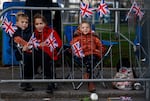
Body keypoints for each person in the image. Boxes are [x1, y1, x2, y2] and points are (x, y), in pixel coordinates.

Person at [70, 21, 106, 92]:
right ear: (79, 29)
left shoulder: (94, 37)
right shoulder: (76, 38)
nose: (85, 29)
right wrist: (75, 52)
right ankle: (90, 82)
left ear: (90, 29)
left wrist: (100, 51)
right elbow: (73, 47)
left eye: (87, 27)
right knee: (89, 60)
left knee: (91, 58)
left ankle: (88, 75)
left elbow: (100, 45)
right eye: (83, 27)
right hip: (83, 55)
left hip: (93, 54)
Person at [31, 13, 62, 93]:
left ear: (45, 23)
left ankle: (50, 82)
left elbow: (59, 43)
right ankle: (50, 80)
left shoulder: (51, 31)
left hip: (50, 53)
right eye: (37, 24)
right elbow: (31, 44)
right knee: (34, 53)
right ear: (34, 25)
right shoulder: (34, 34)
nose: (39, 26)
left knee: (44, 56)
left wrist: (47, 44)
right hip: (37, 55)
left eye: (41, 23)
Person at [12, 11, 34, 91]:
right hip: (21, 53)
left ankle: (51, 80)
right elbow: (12, 44)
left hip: (31, 51)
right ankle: (26, 82)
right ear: (17, 23)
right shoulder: (16, 33)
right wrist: (21, 47)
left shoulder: (30, 32)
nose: (24, 24)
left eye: (26, 22)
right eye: (22, 22)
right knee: (27, 58)